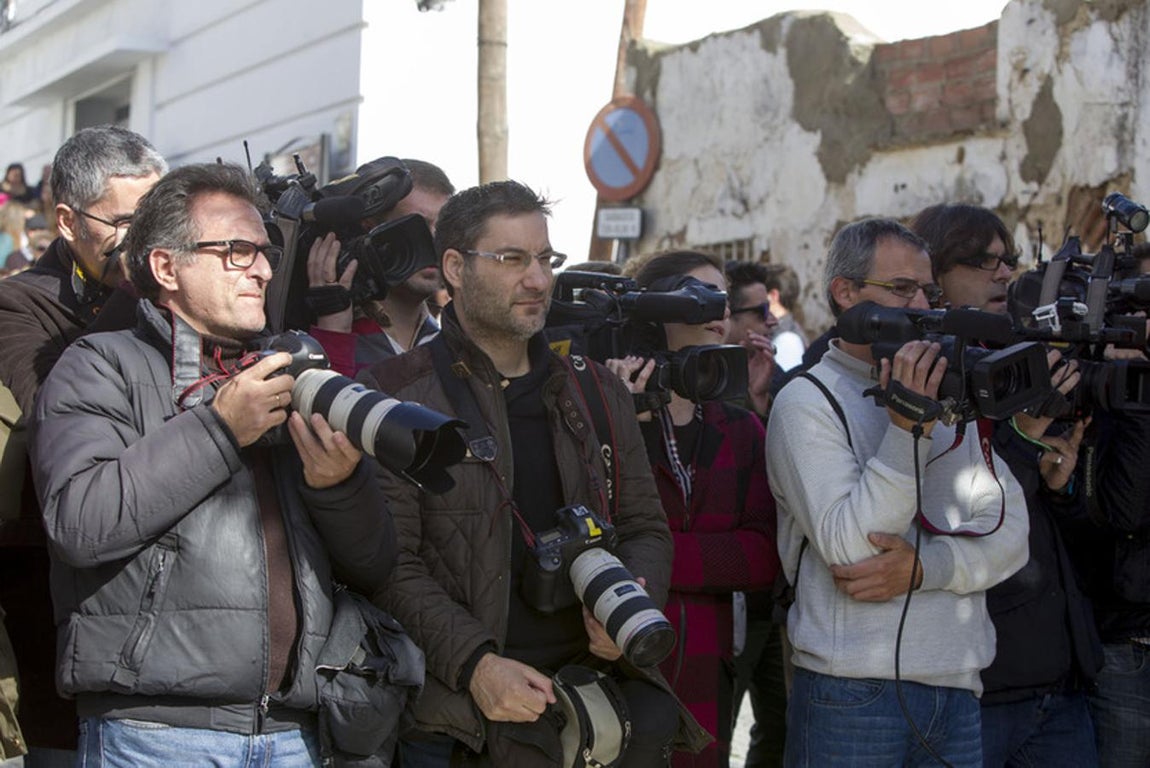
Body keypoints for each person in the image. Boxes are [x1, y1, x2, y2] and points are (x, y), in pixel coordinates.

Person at [27, 162, 396, 766]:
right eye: (236, 250)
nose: (264, 269)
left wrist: (339, 485)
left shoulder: (287, 375)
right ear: (165, 267)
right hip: (155, 733)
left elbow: (374, 563)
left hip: (295, 731)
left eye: (265, 251)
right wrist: (221, 428)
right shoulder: (99, 364)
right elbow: (80, 522)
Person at [359, 180, 710, 766]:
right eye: (512, 259)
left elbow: (645, 526)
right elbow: (390, 563)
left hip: (591, 707)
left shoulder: (597, 390)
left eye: (546, 259)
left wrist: (628, 599)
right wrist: (476, 665)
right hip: (455, 724)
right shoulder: (392, 398)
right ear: (454, 266)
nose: (539, 280)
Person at [767, 217, 1029, 766]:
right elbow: (854, 547)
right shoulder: (806, 401)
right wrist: (908, 424)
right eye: (901, 289)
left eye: (927, 292)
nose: (921, 307)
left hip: (958, 683)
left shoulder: (945, 385)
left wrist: (924, 569)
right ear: (846, 294)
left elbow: (1010, 538)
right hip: (853, 691)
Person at [913, 202, 1102, 766]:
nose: (1003, 274)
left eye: (1008, 260)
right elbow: (957, 513)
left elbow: (1046, 523)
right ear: (936, 278)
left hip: (1060, 672)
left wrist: (1058, 479)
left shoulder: (1025, 355)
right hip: (982, 683)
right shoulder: (927, 376)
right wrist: (1020, 438)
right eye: (982, 262)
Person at [0, 125, 166, 767]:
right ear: (67, 220)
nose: (148, 240)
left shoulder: (179, 297)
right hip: (58, 617)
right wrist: (133, 290)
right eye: (126, 222)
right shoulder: (18, 305)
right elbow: (59, 421)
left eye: (157, 217)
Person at [606, 250, 779, 768]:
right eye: (695, 296)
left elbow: (761, 558)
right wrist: (623, 419)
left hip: (707, 660)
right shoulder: (604, 406)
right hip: (614, 657)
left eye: (722, 298)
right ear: (652, 308)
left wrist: (651, 555)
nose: (716, 309)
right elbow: (593, 534)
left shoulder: (740, 427)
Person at [307, 158, 453, 375]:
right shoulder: (331, 330)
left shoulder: (451, 342)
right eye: (417, 226)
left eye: (442, 229)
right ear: (371, 230)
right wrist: (334, 332)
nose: (433, 243)